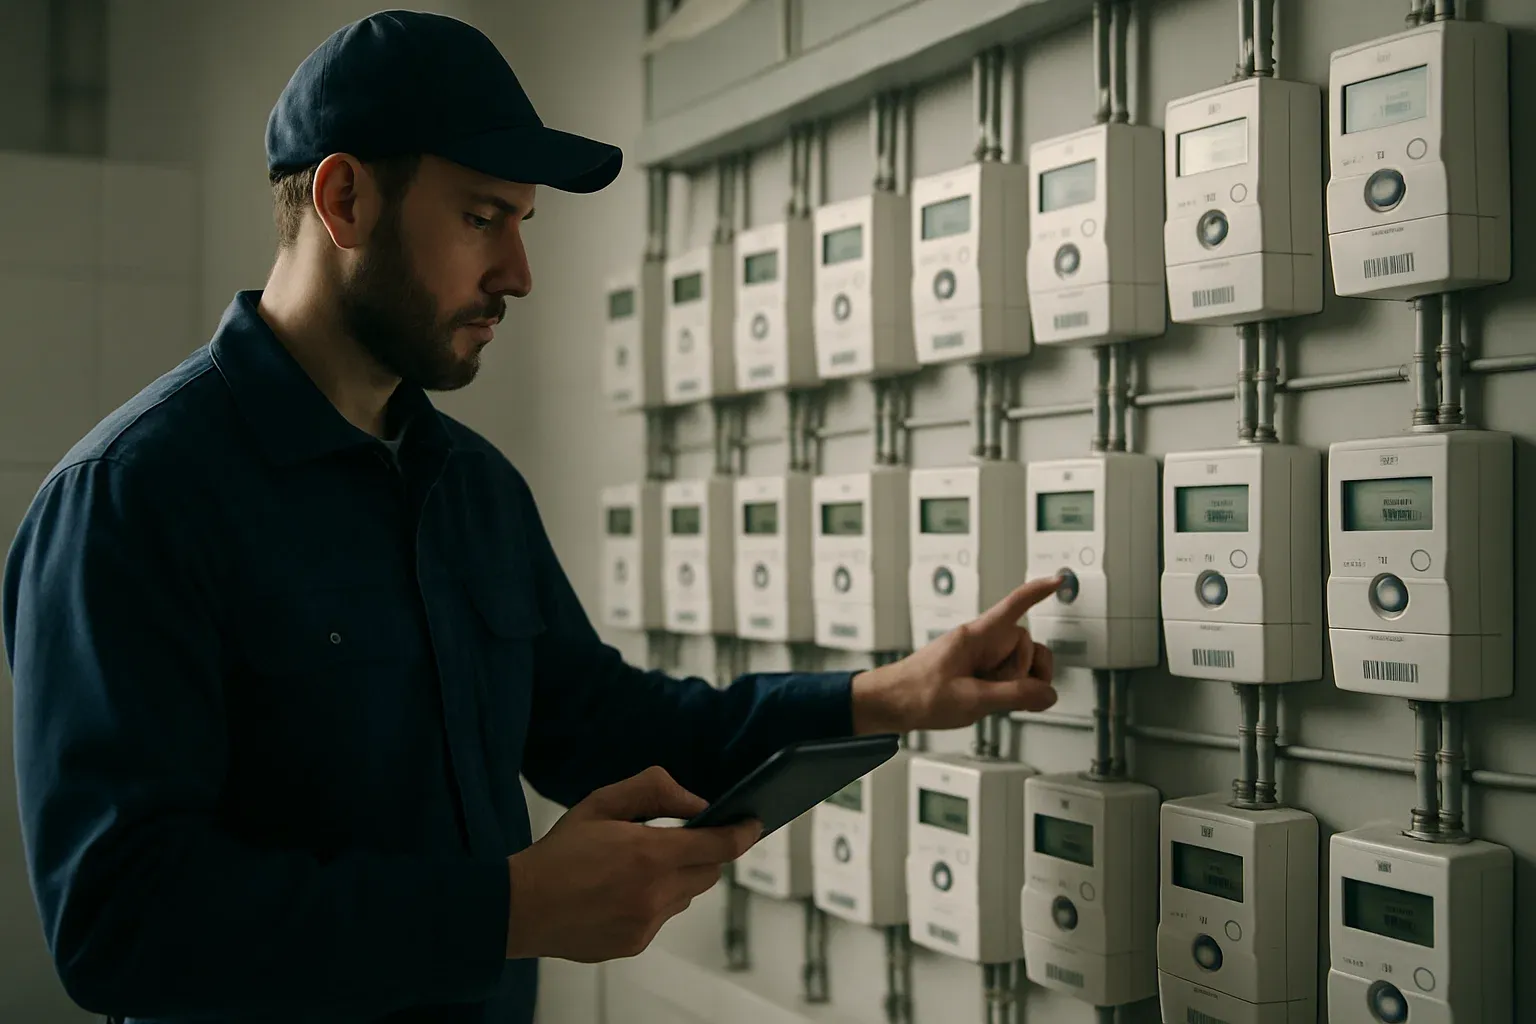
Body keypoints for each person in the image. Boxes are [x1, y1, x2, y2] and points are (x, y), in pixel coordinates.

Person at [1, 11, 1062, 1024]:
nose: (517, 272)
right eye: (481, 218)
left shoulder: (473, 488)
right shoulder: (132, 499)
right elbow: (117, 920)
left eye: (523, 222)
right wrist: (510, 909)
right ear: (345, 202)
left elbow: (613, 727)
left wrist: (892, 694)